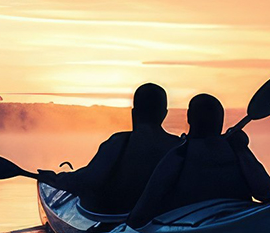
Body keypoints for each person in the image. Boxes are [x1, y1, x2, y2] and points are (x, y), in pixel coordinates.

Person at [126, 93, 270, 227]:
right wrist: (241, 149)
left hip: (194, 230)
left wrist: (126, 230)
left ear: (189, 118)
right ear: (220, 121)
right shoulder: (236, 151)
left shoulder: (179, 154)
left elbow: (143, 209)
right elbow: (266, 193)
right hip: (236, 225)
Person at [37, 83, 181, 214]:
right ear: (164, 113)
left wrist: (55, 179)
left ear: (134, 113)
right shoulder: (179, 147)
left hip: (116, 216)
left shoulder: (118, 142)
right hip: (161, 216)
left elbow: (89, 179)